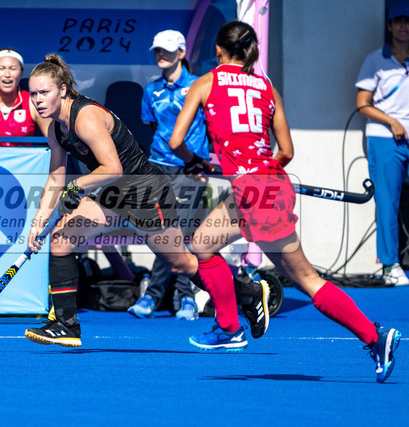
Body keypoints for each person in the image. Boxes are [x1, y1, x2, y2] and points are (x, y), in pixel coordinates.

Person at [169, 20, 401, 383]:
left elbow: (175, 141)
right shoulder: (267, 87)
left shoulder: (206, 83)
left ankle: (375, 337)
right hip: (266, 186)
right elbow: (286, 151)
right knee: (201, 245)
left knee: (307, 279)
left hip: (253, 192)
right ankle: (229, 325)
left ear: (218, 50)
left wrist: (196, 161)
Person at [22, 53, 267, 348]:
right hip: (112, 193)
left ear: (62, 90)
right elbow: (55, 178)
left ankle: (249, 294)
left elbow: (113, 167)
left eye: (44, 92)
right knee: (61, 239)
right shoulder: (55, 129)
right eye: (33, 94)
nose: (37, 100)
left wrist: (78, 185)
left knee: (181, 264)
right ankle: (66, 325)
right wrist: (38, 222)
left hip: (145, 191)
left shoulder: (85, 117)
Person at [127, 30, 210, 320]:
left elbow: (209, 126)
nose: (161, 54)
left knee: (180, 233)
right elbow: (153, 127)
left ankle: (169, 296)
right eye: (157, 50)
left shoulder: (199, 85)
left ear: (182, 53)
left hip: (190, 168)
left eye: (167, 50)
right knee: (161, 232)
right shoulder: (151, 90)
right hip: (158, 166)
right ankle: (177, 297)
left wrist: (201, 162)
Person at [356, 2, 409, 286]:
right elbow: (362, 104)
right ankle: (390, 266)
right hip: (385, 138)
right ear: (389, 25)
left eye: (408, 21)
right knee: (388, 202)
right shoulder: (375, 59)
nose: (404, 26)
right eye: (399, 21)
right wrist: (392, 122)